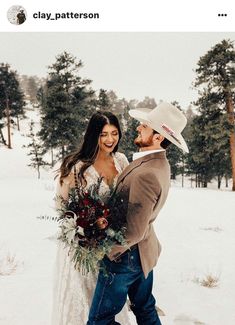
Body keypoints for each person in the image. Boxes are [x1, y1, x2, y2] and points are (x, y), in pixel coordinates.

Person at [87, 102, 189, 325]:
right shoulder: (158, 163)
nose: (138, 128)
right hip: (144, 252)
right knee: (144, 308)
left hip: (126, 256)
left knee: (98, 320)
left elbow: (134, 231)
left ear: (158, 137)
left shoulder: (147, 173)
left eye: (145, 126)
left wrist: (106, 252)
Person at [51, 111, 132, 325]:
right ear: (93, 135)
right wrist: (82, 230)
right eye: (103, 134)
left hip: (111, 246)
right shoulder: (76, 166)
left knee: (107, 306)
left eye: (114, 133)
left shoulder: (121, 161)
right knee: (86, 304)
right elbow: (62, 206)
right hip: (83, 248)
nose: (110, 140)